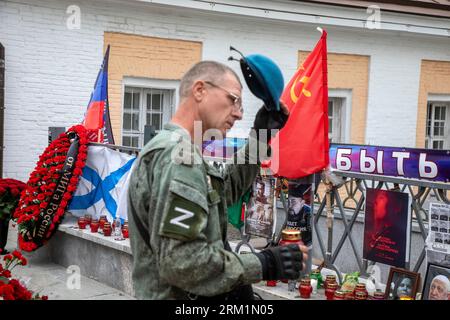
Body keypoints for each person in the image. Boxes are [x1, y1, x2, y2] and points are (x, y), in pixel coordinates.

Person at [127, 60, 309, 299]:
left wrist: (261, 136)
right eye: (233, 99)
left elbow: (223, 194)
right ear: (200, 90)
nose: (239, 112)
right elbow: (182, 262)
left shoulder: (174, 150)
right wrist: (263, 263)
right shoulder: (181, 158)